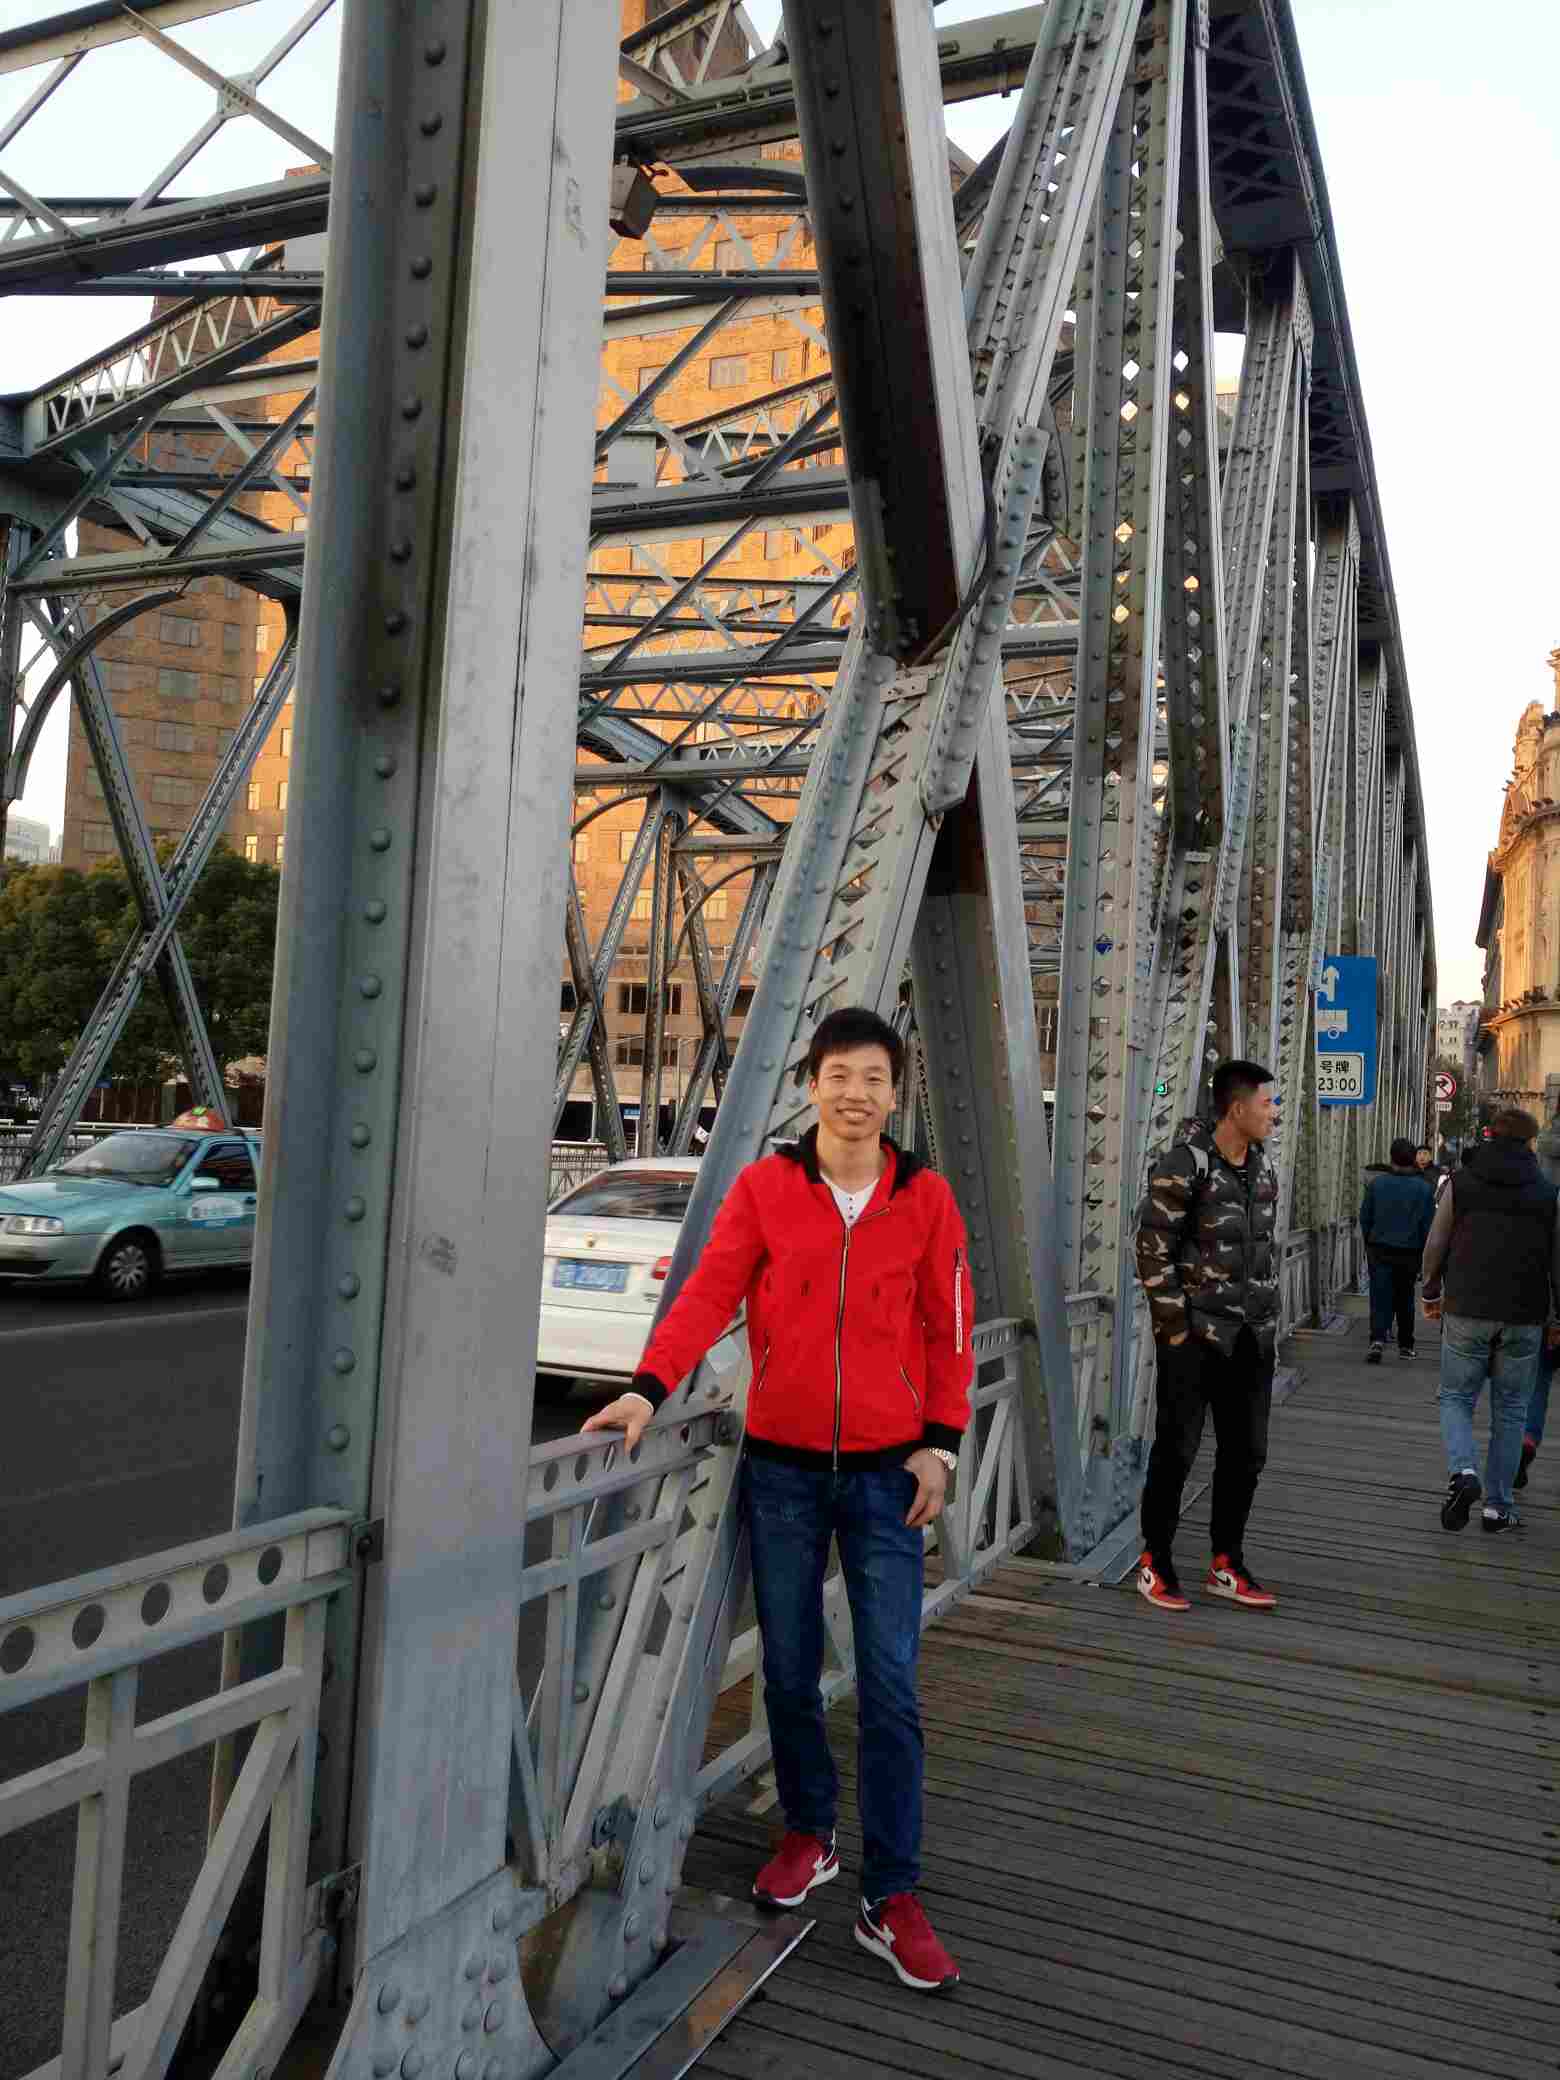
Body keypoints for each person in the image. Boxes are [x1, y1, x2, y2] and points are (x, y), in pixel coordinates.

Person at [581, 1005, 973, 1994]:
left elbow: (949, 1328)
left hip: (889, 1476)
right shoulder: (766, 1188)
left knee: (889, 1685)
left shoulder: (925, 1198)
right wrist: (647, 1387)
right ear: (811, 1085)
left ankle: (892, 1894)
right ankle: (810, 1831)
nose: (856, 1093)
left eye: (874, 1078)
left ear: (895, 1093)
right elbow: (709, 1292)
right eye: (839, 1075)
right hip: (784, 1468)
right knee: (790, 1672)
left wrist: (942, 1445)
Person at [1132, 1059, 1281, 1613]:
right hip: (1196, 1338)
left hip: (1252, 1339)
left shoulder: (1262, 1167)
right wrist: (1176, 1331)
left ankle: (1226, 1562)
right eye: (1266, 1103)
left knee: (1247, 1455)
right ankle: (1156, 1560)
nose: (1274, 1113)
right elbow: (1152, 1249)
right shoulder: (1186, 1164)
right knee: (1178, 1451)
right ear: (1236, 1109)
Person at [1421, 1107, 1560, 1532]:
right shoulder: (1547, 1193)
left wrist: (1430, 1290)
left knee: (1456, 1397)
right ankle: (1498, 1507)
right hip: (1524, 1315)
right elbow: (1558, 1263)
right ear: (1531, 1143)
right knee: (1512, 1410)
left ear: (1490, 1135)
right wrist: (1556, 1317)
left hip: (1466, 1307)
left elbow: (1437, 1241)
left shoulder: (1461, 1183)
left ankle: (1464, 1472)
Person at [1359, 1138, 1435, 1363]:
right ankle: (1406, 1345)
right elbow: (1428, 1225)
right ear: (1413, 1159)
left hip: (1380, 1249)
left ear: (1391, 1158)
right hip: (1410, 1251)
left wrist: (1370, 1242)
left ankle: (1377, 1339)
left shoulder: (1377, 1185)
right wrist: (1424, 1255)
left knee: (1379, 1295)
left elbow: (1365, 1218)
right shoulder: (1424, 1189)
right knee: (1405, 1297)